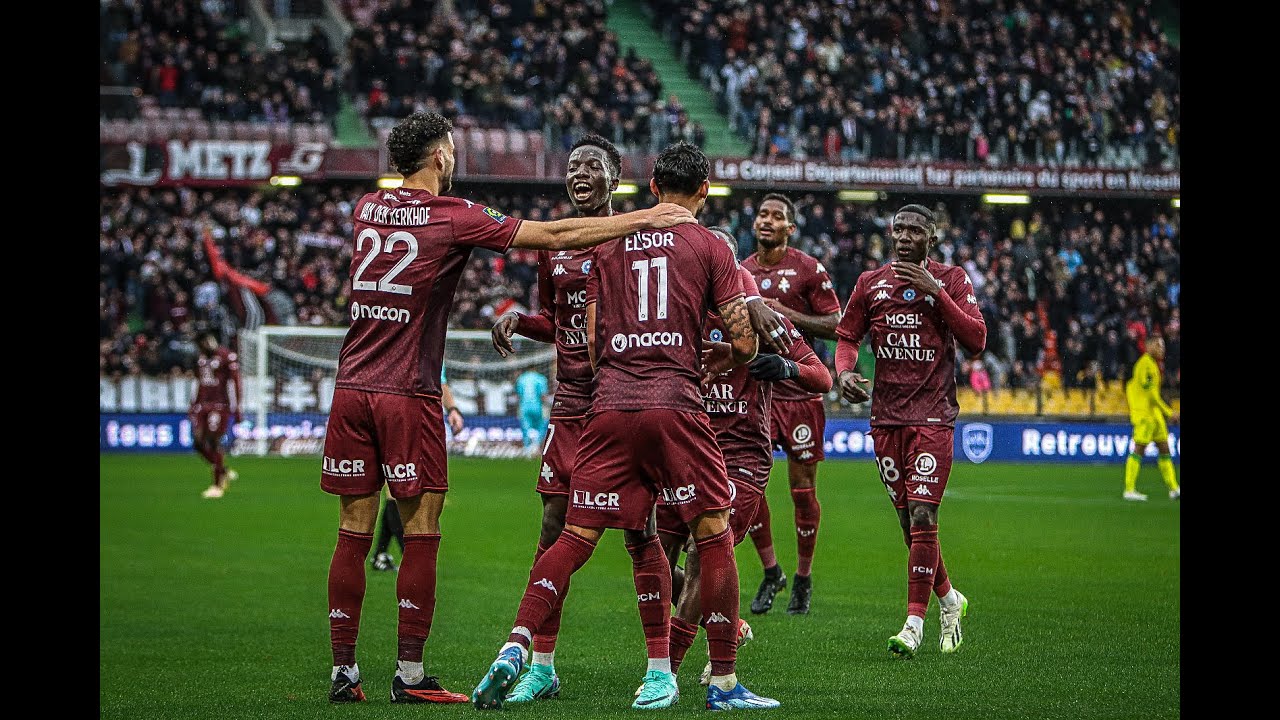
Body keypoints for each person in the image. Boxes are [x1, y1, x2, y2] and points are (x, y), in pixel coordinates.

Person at [321, 111, 696, 704]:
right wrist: (650, 214)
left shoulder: (369, 206)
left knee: (352, 532)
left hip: (350, 385)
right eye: (451, 150)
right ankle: (413, 676)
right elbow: (546, 238)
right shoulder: (454, 215)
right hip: (409, 390)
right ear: (440, 156)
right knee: (421, 531)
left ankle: (344, 671)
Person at [472, 141, 778, 711]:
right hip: (675, 406)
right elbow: (742, 342)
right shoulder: (711, 245)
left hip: (606, 407)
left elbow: (588, 340)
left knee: (571, 535)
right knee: (711, 535)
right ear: (704, 191)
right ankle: (722, 683)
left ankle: (519, 642)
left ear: (650, 188)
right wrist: (706, 355)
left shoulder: (606, 245)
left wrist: (620, 366)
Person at [657, 226, 831, 687]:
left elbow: (821, 375)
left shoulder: (761, 317)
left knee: (700, 554)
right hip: (686, 446)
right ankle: (727, 618)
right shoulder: (675, 311)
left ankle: (666, 673)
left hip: (741, 457)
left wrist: (786, 366)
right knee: (652, 552)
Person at [487, 134, 622, 703]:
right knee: (551, 527)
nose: (580, 173)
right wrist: (522, 320)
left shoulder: (634, 238)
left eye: (592, 165)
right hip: (570, 405)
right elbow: (555, 318)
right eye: (573, 167)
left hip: (622, 400)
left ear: (615, 178)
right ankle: (542, 665)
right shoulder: (555, 245)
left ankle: (703, 620)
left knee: (648, 534)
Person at [834, 204, 986, 658]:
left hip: (933, 417)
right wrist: (844, 373)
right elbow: (847, 337)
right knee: (908, 523)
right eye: (898, 229)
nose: (903, 236)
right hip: (886, 418)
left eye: (914, 230)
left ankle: (915, 623)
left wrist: (936, 292)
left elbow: (977, 341)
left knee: (923, 515)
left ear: (931, 238)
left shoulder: (953, 279)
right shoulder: (870, 284)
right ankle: (949, 598)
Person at [740, 193, 843, 615]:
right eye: (762, 213)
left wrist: (783, 313)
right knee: (749, 488)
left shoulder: (808, 270)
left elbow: (836, 326)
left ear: (790, 228)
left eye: (777, 216)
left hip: (799, 392)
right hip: (755, 393)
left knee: (802, 492)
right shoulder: (740, 270)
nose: (767, 220)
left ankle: (802, 576)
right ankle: (771, 571)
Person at [371, 371, 465, 572]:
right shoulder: (425, 343)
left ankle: (381, 554)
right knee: (398, 488)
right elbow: (440, 380)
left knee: (393, 486)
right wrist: (453, 409)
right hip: (409, 415)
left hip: (386, 408)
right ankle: (411, 559)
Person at [1122, 335, 1180, 501]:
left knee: (1164, 448)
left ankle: (1174, 488)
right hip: (1145, 414)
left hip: (1154, 415)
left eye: (1162, 345)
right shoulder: (1145, 365)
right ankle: (1129, 489)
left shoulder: (1153, 365)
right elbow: (1151, 395)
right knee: (1139, 449)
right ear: (1149, 346)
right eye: (1159, 345)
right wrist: (1169, 412)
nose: (1162, 348)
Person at [189, 331, 241, 499]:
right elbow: (198, 382)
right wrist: (194, 404)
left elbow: (235, 382)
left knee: (213, 441)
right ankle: (223, 470)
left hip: (220, 406)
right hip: (203, 405)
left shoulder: (226, 356)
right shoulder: (201, 359)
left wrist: (237, 408)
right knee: (197, 442)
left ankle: (217, 486)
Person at [514, 368, 549, 454]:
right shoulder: (540, 378)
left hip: (524, 407)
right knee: (541, 426)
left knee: (526, 428)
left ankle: (527, 449)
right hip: (537, 406)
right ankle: (536, 445)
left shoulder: (521, 378)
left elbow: (519, 395)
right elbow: (543, 395)